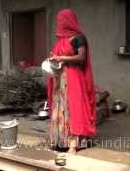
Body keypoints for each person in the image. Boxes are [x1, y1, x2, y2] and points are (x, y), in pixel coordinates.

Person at [47, 9, 96, 154]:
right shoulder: (61, 39)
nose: (60, 23)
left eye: (62, 20)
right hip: (60, 79)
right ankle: (60, 140)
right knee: (60, 108)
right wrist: (53, 59)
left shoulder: (79, 38)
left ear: (68, 20)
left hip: (74, 78)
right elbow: (58, 57)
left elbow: (81, 58)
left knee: (74, 109)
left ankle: (74, 145)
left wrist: (61, 58)